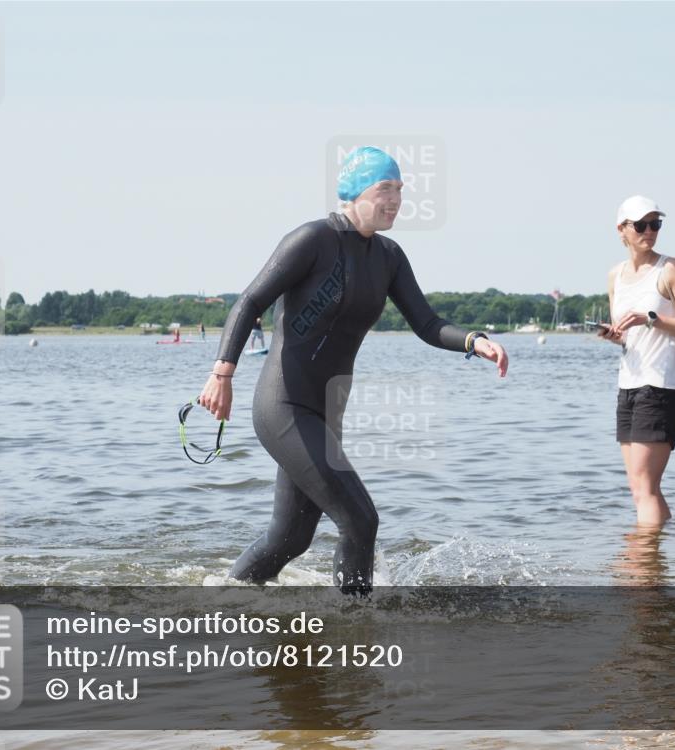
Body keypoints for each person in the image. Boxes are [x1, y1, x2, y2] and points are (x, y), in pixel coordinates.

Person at [198, 146, 508, 596]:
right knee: (360, 518)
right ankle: (358, 621)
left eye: (401, 189)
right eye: (385, 188)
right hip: (283, 406)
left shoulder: (388, 256)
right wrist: (221, 374)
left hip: (326, 413)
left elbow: (426, 322)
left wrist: (473, 342)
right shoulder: (312, 240)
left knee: (290, 539)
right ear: (354, 191)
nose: (396, 198)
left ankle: (222, 595)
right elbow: (250, 301)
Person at [599, 196, 675, 527]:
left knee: (646, 487)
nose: (649, 231)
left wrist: (651, 318)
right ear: (622, 230)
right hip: (628, 384)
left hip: (661, 385)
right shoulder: (615, 276)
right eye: (641, 225)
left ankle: (643, 564)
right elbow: (628, 335)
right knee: (639, 488)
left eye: (655, 224)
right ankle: (657, 556)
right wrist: (614, 335)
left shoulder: (670, 269)